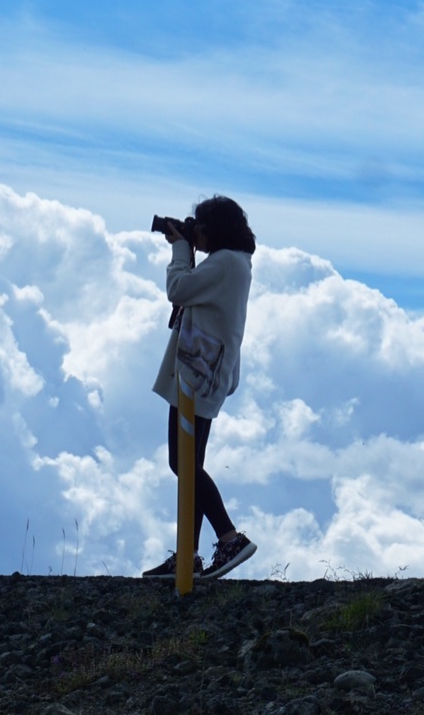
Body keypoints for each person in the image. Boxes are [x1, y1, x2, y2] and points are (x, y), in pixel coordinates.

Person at [142, 195, 259, 582]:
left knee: (183, 463)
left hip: (199, 374)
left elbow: (178, 289)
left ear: (216, 228)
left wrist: (179, 248)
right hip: (204, 370)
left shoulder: (226, 263)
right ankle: (188, 556)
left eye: (201, 226)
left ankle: (229, 538)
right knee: (189, 463)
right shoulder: (235, 263)